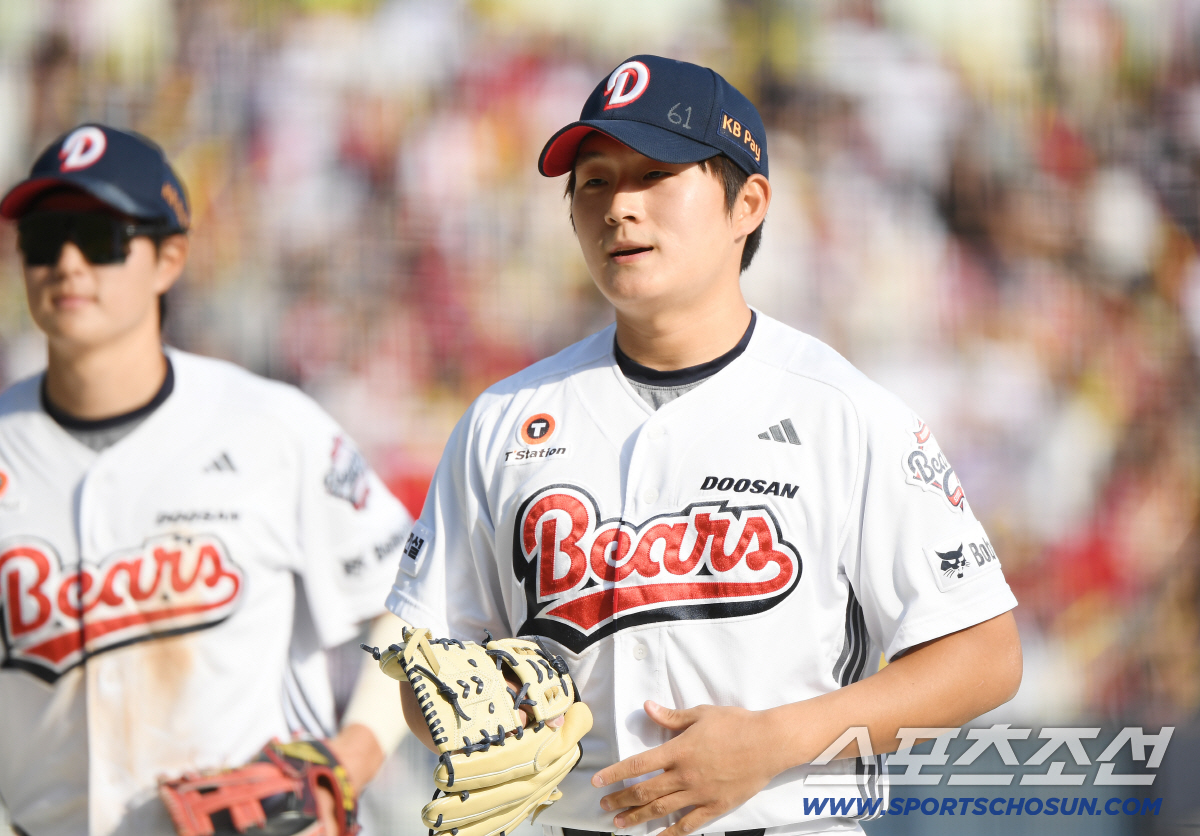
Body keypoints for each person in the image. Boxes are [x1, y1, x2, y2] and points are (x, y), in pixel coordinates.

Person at [385, 55, 1022, 836]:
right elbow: (430, 668)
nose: (620, 207)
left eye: (655, 175)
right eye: (594, 182)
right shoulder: (503, 420)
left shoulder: (842, 412)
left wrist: (774, 742)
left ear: (746, 204)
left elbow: (983, 657)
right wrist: (471, 719)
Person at [0, 124, 413, 836]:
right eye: (43, 238)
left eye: (100, 239)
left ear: (169, 259)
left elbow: (413, 597)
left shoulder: (271, 427)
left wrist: (354, 755)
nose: (67, 262)